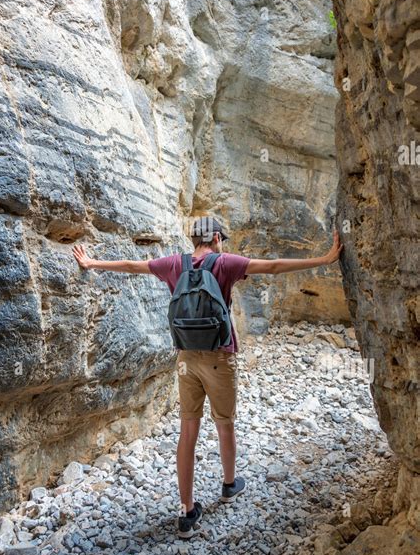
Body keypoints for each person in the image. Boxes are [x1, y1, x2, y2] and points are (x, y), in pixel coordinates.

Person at [72, 217, 343, 538]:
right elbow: (272, 267)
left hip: (186, 358)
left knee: (188, 430)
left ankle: (187, 512)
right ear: (215, 237)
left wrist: (91, 262)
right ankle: (229, 485)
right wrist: (324, 259)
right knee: (224, 423)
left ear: (193, 238)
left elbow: (133, 265)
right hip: (220, 357)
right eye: (221, 239)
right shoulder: (225, 264)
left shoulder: (175, 263)